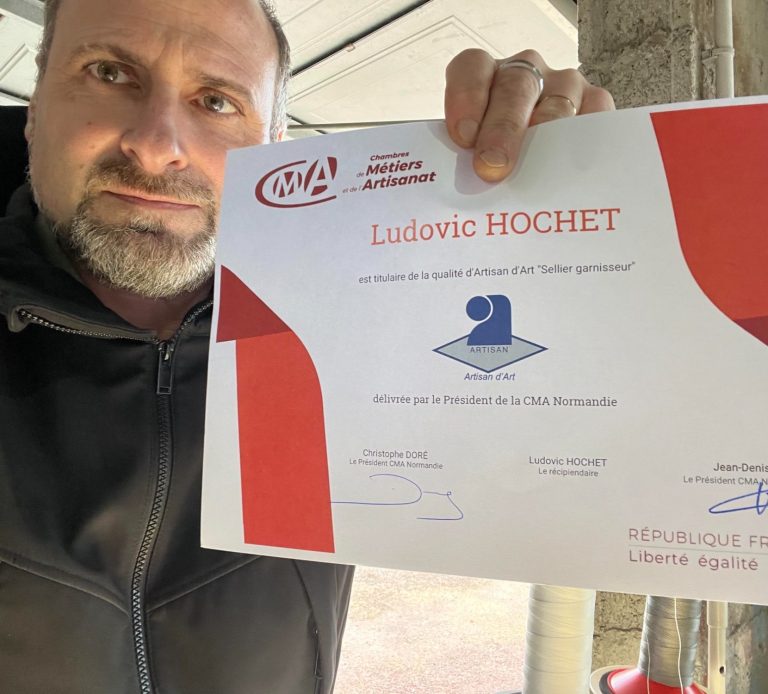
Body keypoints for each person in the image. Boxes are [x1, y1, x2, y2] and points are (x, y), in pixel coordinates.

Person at [0, 0, 614, 692]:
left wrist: (570, 189)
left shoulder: (352, 311)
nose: (157, 144)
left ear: (275, 142)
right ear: (34, 108)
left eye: (216, 101)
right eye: (109, 73)